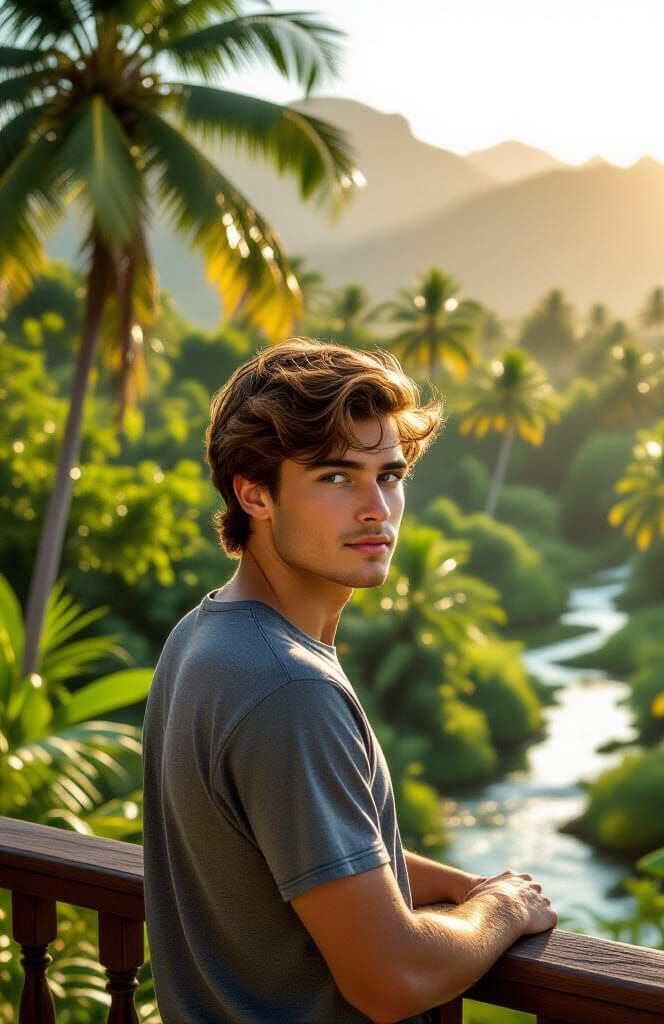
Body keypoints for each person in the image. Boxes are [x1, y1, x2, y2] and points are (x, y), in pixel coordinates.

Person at [142, 339, 557, 1024]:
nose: (375, 508)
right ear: (254, 493)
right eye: (336, 478)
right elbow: (389, 977)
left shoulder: (205, 637)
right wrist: (502, 907)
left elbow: (300, 851)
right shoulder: (286, 687)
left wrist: (458, 886)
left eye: (389, 475)